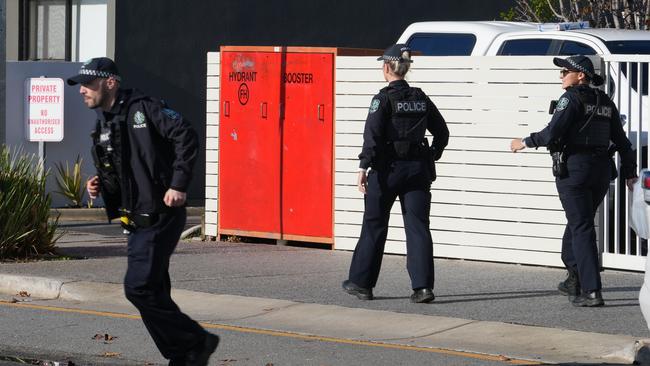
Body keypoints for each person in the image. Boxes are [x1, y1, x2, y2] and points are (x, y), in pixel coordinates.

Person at [67, 57, 218, 365]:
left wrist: (178, 184)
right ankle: (184, 355)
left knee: (138, 287)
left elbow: (185, 135)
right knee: (154, 292)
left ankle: (196, 341)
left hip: (160, 215)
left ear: (110, 82)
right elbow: (124, 171)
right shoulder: (106, 122)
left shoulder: (143, 108)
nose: (82, 90)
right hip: (135, 220)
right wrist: (101, 186)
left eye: (88, 83)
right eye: (80, 85)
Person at [510, 55, 637, 307]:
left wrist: (524, 142)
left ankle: (591, 290)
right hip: (600, 171)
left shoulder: (570, 98)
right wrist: (629, 173)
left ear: (580, 75)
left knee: (581, 227)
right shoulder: (605, 101)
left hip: (575, 170)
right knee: (580, 221)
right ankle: (573, 276)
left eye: (565, 71)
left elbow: (552, 132)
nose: (561, 75)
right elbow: (622, 142)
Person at [342, 44, 449, 303]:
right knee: (418, 228)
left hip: (386, 170)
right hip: (417, 171)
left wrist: (363, 167)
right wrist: (430, 154)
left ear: (388, 67)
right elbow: (442, 132)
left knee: (374, 225)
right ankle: (423, 288)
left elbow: (373, 136)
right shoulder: (420, 97)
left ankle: (361, 283)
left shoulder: (382, 99)